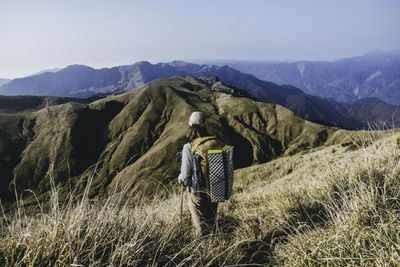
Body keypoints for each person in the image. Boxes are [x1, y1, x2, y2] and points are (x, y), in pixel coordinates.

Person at [178, 111, 224, 236]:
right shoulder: (215, 142)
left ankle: (204, 250)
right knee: (211, 222)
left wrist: (180, 180)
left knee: (200, 227)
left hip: (197, 193)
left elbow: (185, 176)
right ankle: (215, 246)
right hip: (216, 190)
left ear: (190, 126)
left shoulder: (189, 147)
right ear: (205, 125)